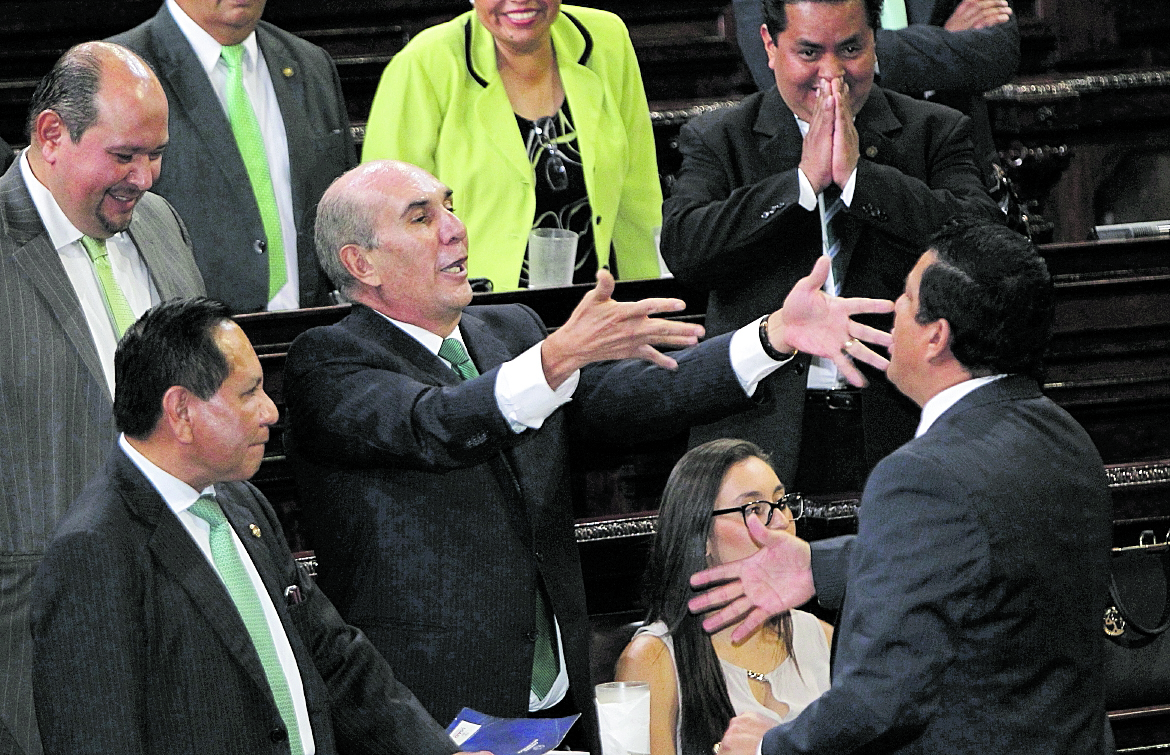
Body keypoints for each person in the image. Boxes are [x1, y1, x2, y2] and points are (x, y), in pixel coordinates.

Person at [281, 160, 894, 750]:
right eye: (420, 217)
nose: (454, 226)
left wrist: (771, 338)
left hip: (556, 699)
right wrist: (553, 360)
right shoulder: (328, 362)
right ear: (361, 263)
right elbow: (435, 423)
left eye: (449, 205)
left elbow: (630, 395)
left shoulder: (510, 331)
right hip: (424, 712)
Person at [689, 216, 1113, 754]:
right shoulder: (1065, 436)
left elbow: (879, 702)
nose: (892, 309)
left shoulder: (921, 475)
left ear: (937, 337)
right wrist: (823, 566)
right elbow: (988, 550)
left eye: (906, 298)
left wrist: (769, 748)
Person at [30, 298, 488, 755]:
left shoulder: (241, 500)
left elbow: (336, 660)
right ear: (181, 412)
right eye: (250, 392)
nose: (270, 411)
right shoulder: (94, 551)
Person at [659, 0, 1002, 494]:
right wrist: (801, 183)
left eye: (850, 49)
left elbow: (982, 248)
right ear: (769, 46)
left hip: (904, 425)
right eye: (809, 52)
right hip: (759, 435)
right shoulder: (720, 138)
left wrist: (861, 180)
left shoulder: (934, 129)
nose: (832, 73)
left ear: (875, 43)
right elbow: (686, 248)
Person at [0, 42, 206, 755]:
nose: (144, 178)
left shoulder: (161, 225)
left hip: (185, 607)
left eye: (157, 154)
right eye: (124, 155)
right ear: (51, 135)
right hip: (36, 629)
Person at [361, 1, 662, 291]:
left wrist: (649, 298)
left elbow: (639, 190)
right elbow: (384, 217)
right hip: (477, 313)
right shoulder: (424, 64)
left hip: (601, 303)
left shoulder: (606, 39)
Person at [110, 0, 357, 312]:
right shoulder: (119, 71)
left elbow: (344, 208)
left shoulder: (310, 63)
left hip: (312, 329)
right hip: (186, 340)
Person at [615, 439, 832, 755]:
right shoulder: (651, 660)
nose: (783, 521)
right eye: (754, 509)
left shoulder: (823, 638)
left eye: (781, 502)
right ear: (702, 535)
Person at [733, 0, 1018, 172]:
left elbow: (997, 51)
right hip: (823, 170)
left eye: (853, 47)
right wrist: (940, 38)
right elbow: (775, 64)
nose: (834, 66)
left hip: (949, 163)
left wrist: (876, 49)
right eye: (855, 46)